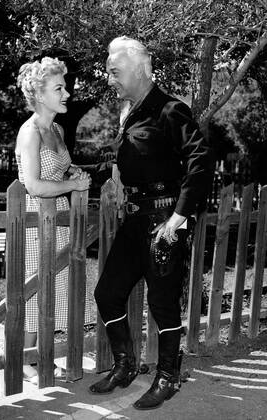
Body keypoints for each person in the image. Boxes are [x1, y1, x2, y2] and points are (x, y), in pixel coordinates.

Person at [89, 37, 214, 410]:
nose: (110, 78)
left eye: (115, 71)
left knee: (163, 304)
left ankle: (168, 377)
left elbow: (200, 159)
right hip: (134, 217)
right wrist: (112, 178)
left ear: (139, 69)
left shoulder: (170, 110)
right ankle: (125, 365)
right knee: (107, 293)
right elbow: (135, 162)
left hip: (164, 221)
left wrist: (180, 216)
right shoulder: (130, 112)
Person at [15, 57, 92, 383]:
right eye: (59, 88)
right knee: (34, 293)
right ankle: (24, 363)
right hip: (35, 221)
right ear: (39, 93)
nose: (67, 94)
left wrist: (70, 171)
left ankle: (42, 358)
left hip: (57, 217)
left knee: (53, 292)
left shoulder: (57, 129)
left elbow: (56, 169)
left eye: (65, 87)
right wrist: (73, 185)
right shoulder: (30, 133)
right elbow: (32, 184)